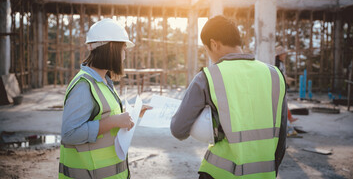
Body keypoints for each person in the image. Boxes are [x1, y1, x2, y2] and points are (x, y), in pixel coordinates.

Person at [171, 16, 287, 179]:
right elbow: (282, 136)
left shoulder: (207, 77)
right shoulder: (275, 75)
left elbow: (178, 130)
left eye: (206, 49)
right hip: (264, 174)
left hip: (220, 174)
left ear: (214, 44)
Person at [59, 19, 151, 179]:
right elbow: (70, 133)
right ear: (110, 48)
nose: (124, 56)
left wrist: (133, 113)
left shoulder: (103, 81)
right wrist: (114, 121)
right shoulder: (84, 85)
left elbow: (104, 115)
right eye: (123, 50)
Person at [275, 46, 298, 124]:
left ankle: (289, 117)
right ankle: (289, 118)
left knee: (283, 103)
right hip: (279, 86)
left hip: (282, 85)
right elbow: (280, 75)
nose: (285, 55)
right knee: (283, 103)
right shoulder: (277, 64)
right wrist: (286, 79)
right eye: (284, 54)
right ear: (280, 55)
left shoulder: (281, 63)